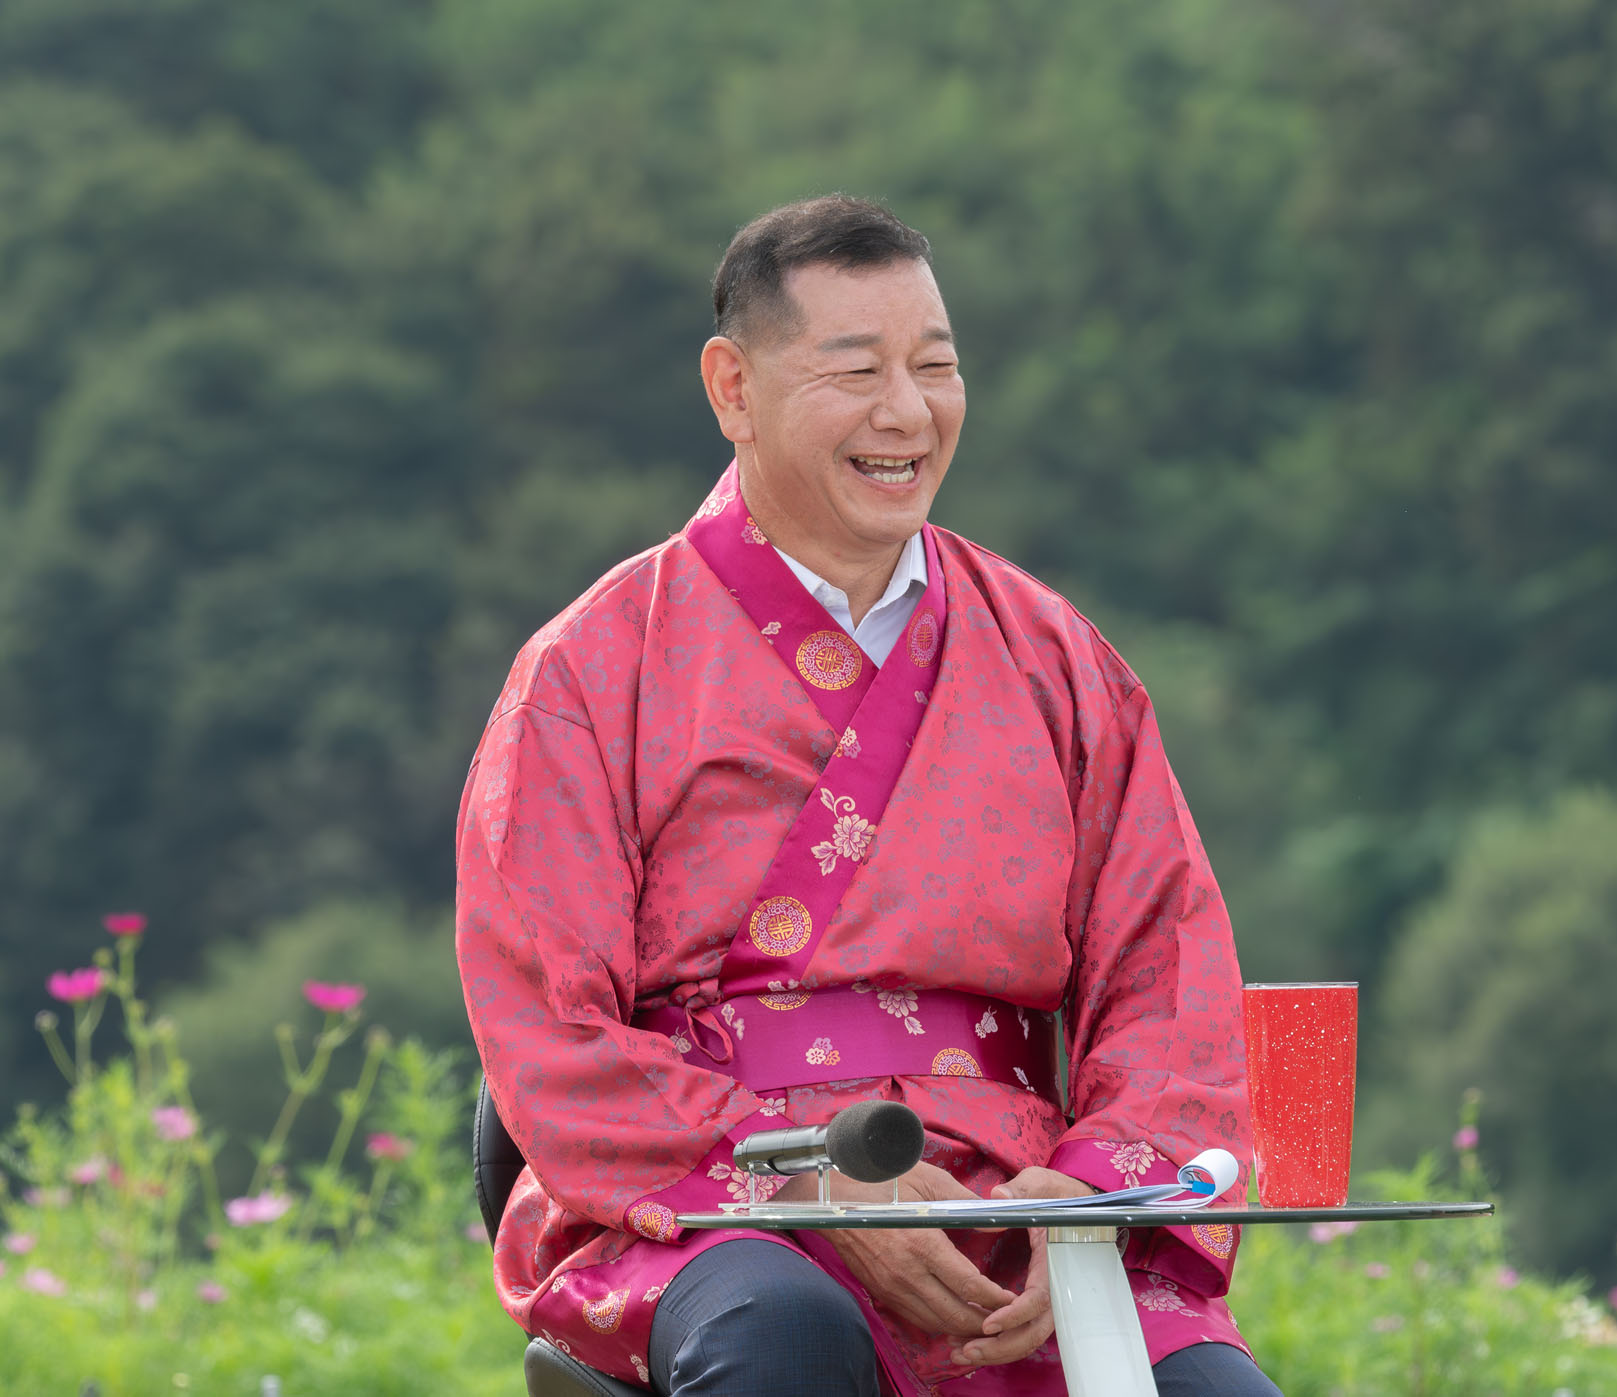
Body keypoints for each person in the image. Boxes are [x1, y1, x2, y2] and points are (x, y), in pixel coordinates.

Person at [456, 195, 1279, 1396]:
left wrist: (1095, 1188)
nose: (908, 411)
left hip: (1016, 1212)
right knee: (782, 1333)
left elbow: (1172, 973)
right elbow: (545, 1022)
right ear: (733, 388)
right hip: (725, 1205)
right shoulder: (588, 671)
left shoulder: (1059, 662)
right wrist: (809, 1179)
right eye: (856, 370)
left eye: (935, 367)